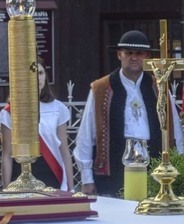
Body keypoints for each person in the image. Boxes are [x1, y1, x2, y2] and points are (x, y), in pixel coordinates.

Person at [73, 30, 184, 196]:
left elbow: (175, 132)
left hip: (154, 165)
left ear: (146, 56)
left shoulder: (159, 87)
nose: (134, 58)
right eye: (129, 53)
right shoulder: (101, 88)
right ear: (119, 55)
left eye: (139, 53)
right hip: (114, 167)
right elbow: (86, 136)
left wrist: (179, 166)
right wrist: (87, 179)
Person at [0, 58, 74, 191]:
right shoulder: (10, 112)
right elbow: (7, 155)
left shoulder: (58, 108)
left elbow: (64, 151)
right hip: (20, 178)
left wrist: (71, 188)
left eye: (40, 73)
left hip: (52, 175)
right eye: (32, 73)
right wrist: (6, 190)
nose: (37, 78)